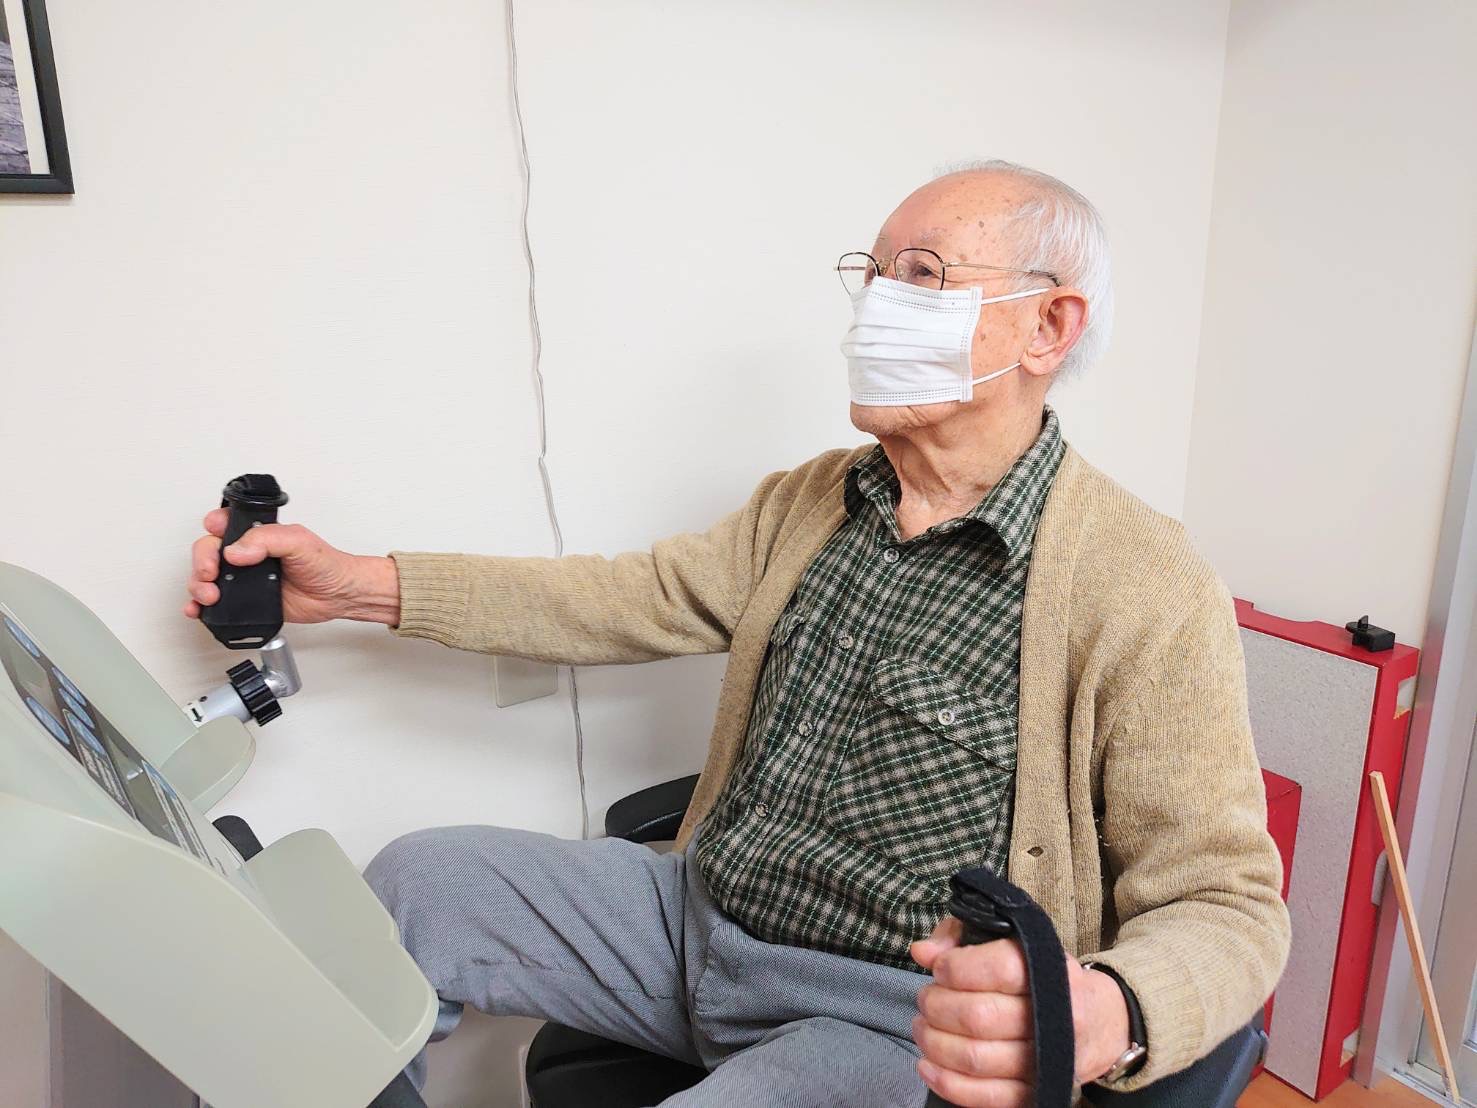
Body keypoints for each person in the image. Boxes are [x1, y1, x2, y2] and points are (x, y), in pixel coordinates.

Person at [184, 159, 1290, 1107]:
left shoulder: (1143, 584)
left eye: (922, 276)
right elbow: (618, 598)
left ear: (1048, 326)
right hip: (695, 920)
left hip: (886, 1016)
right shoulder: (813, 501)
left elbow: (1229, 901)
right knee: (416, 885)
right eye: (872, 274)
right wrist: (356, 586)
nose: (877, 306)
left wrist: (1115, 1007)